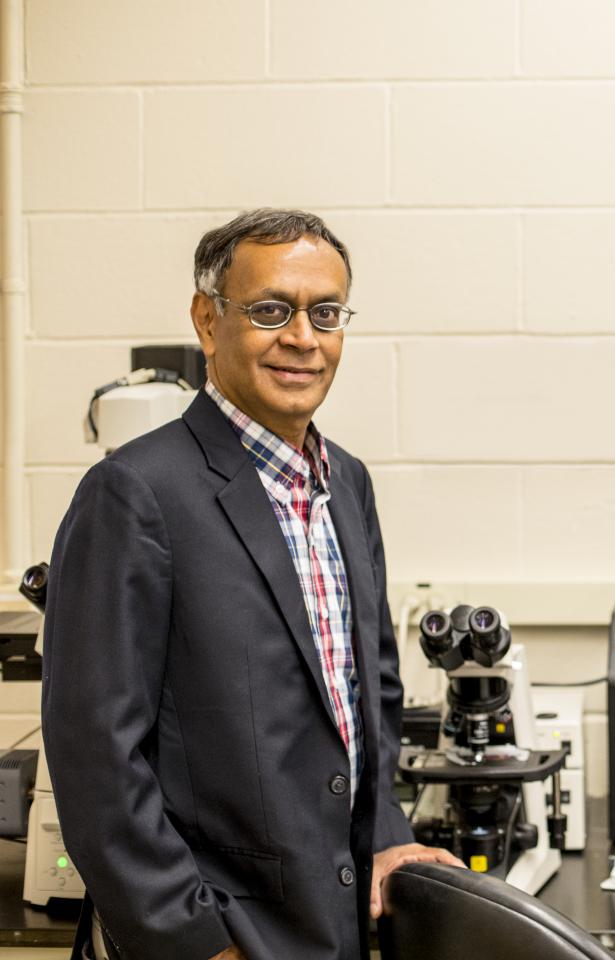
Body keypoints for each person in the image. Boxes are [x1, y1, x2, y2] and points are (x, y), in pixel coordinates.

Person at [41, 208, 462, 960]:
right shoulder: (136, 493)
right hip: (216, 934)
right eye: (271, 310)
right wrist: (194, 942)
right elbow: (96, 757)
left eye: (325, 313)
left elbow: (370, 695)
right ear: (208, 322)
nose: (303, 337)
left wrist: (386, 838)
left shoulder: (347, 483)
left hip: (331, 925)